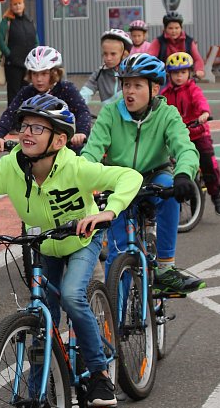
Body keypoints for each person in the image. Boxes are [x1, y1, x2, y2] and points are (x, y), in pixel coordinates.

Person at [0, 94, 141, 408]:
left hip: (81, 241)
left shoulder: (76, 167)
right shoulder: (11, 167)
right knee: (42, 318)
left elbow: (129, 177)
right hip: (43, 244)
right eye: (24, 125)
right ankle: (39, 397)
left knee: (71, 296)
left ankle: (99, 374)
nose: (26, 132)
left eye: (38, 128)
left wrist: (109, 211)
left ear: (59, 140)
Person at [81, 53, 206, 296]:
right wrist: (81, 175)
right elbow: (92, 150)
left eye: (137, 85)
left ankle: (165, 269)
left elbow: (185, 148)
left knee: (169, 187)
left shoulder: (167, 114)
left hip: (154, 176)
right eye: (126, 84)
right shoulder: (110, 113)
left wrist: (183, 174)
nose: (129, 91)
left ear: (154, 88)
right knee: (117, 255)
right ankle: (115, 313)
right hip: (119, 181)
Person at [0, 45, 92, 152]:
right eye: (34, 74)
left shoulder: (66, 89)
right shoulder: (27, 92)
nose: (39, 79)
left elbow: (83, 112)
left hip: (67, 146)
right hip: (37, 147)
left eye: (44, 74)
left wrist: (81, 132)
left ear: (55, 73)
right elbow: (10, 114)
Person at [161, 51, 220, 215]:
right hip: (178, 137)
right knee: (171, 166)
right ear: (169, 75)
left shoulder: (192, 89)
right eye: (175, 73)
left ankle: (216, 195)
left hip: (198, 133)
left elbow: (200, 101)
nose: (179, 76)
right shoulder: (165, 94)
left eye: (183, 72)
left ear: (189, 73)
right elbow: (159, 109)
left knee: (208, 164)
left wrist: (204, 113)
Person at [0, 0, 37, 104]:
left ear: (24, 5)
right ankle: (13, 114)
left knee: (27, 93)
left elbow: (36, 39)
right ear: (11, 6)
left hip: (28, 64)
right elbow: (0, 41)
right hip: (13, 65)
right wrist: (9, 55)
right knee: (14, 94)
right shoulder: (7, 21)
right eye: (15, 4)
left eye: (19, 3)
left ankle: (25, 113)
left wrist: (35, 54)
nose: (17, 6)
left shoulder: (29, 20)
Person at [79, 29, 133, 109]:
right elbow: (85, 93)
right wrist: (76, 105)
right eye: (105, 53)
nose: (108, 58)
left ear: (124, 54)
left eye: (113, 54)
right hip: (108, 115)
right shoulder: (99, 73)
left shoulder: (132, 73)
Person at [146, 11, 206, 79]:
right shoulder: (159, 41)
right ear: (165, 29)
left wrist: (199, 70)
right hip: (165, 77)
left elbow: (197, 59)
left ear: (181, 28)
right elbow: (149, 58)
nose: (174, 31)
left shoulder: (188, 42)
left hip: (185, 77)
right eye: (170, 28)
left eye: (177, 28)